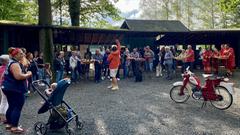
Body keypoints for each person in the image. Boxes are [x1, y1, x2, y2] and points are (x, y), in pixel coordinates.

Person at [1, 48, 32, 134]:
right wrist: (28, 74)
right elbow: (18, 76)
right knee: (17, 107)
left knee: (11, 106)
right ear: (16, 55)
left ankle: (9, 124)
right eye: (21, 54)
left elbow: (4, 75)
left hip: (8, 87)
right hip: (15, 89)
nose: (23, 55)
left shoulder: (9, 62)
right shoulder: (14, 64)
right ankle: (14, 127)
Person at [0, 55, 10, 123]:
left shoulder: (0, 68)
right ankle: (6, 117)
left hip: (1, 85)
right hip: (7, 85)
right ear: (6, 61)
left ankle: (2, 116)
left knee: (3, 100)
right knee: (8, 101)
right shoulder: (8, 68)